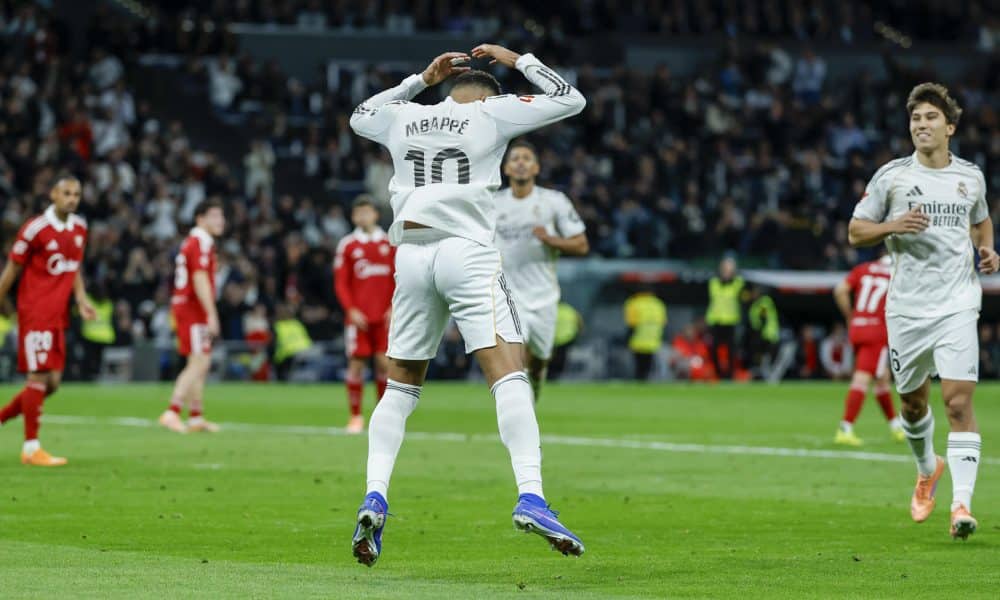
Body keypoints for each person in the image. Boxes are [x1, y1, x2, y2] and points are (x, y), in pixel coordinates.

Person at [348, 44, 586, 566]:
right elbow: (570, 99)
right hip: (467, 252)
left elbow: (358, 115)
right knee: (508, 375)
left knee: (401, 387)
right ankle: (532, 495)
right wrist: (519, 57)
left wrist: (418, 78)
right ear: (486, 97)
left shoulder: (406, 116)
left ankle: (375, 493)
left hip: (411, 254)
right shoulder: (490, 113)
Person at [849, 82, 998, 540]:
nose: (921, 125)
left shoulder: (970, 176)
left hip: (957, 302)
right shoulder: (891, 177)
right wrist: (893, 225)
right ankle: (926, 467)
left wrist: (988, 248)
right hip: (908, 309)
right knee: (913, 405)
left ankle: (961, 505)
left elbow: (980, 219)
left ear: (949, 127)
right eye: (915, 119)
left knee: (956, 400)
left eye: (930, 118)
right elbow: (856, 232)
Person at [0, 176, 96, 466]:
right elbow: (13, 268)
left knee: (51, 383)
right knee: (38, 376)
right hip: (36, 309)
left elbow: (74, 266)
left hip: (59, 314)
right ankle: (31, 448)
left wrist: (81, 298)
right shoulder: (35, 229)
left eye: (77, 194)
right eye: (66, 193)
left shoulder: (80, 227)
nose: (72, 199)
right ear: (54, 194)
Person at [494, 141, 588, 400]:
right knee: (516, 356)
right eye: (515, 159)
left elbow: (581, 244)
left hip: (544, 298)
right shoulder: (491, 204)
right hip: (508, 297)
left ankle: (533, 384)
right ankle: (519, 408)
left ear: (536, 168)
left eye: (526, 158)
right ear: (506, 169)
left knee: (539, 361)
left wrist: (552, 240)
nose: (521, 162)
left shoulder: (553, 202)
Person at [158, 199, 226, 434]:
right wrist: (211, 313)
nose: (221, 221)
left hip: (185, 305)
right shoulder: (201, 242)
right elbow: (199, 279)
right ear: (200, 219)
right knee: (200, 361)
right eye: (215, 216)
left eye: (221, 216)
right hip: (191, 308)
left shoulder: (195, 241)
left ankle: (196, 416)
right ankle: (172, 411)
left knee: (198, 362)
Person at [334, 195, 396, 432]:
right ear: (353, 217)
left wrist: (393, 307)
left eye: (367, 212)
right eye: (359, 213)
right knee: (356, 365)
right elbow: (341, 283)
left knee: (384, 365)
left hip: (384, 316)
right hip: (358, 318)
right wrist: (350, 309)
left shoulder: (389, 242)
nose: (363, 216)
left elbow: (398, 277)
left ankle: (382, 418)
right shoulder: (348, 245)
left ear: (376, 215)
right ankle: (356, 417)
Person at [832, 255, 904, 446]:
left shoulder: (863, 268)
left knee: (882, 377)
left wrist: (850, 315)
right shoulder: (897, 274)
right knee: (862, 377)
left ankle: (896, 427)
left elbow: (840, 290)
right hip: (877, 330)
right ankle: (845, 428)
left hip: (857, 326)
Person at [705, 256, 743, 379]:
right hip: (716, 321)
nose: (726, 271)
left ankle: (730, 374)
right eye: (724, 268)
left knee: (731, 350)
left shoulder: (738, 283)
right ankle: (718, 374)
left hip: (731, 321)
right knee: (714, 349)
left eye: (729, 269)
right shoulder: (714, 283)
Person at [624, 288, 668, 380]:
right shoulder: (658, 304)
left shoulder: (634, 303)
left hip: (637, 340)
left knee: (639, 367)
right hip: (653, 341)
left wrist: (627, 338)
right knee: (648, 366)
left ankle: (639, 381)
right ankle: (646, 380)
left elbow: (631, 324)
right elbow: (663, 323)